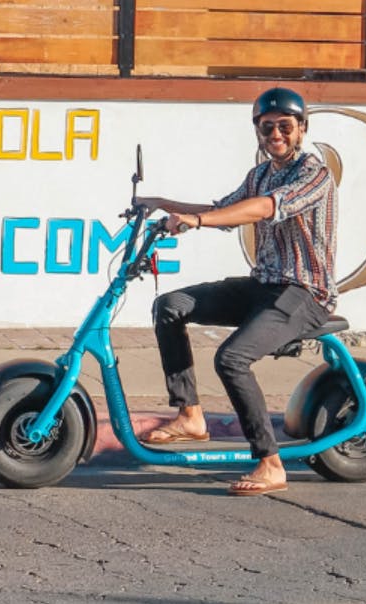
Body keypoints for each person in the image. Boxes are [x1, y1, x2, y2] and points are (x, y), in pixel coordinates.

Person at [134, 87, 338, 496]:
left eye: (284, 126)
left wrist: (195, 220)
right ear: (258, 131)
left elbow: (265, 209)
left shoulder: (314, 174)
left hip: (304, 293)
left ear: (301, 129)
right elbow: (222, 211)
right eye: (267, 127)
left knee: (232, 359)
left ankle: (270, 462)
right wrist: (162, 204)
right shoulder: (259, 174)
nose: (275, 134)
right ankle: (191, 416)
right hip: (264, 286)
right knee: (170, 306)